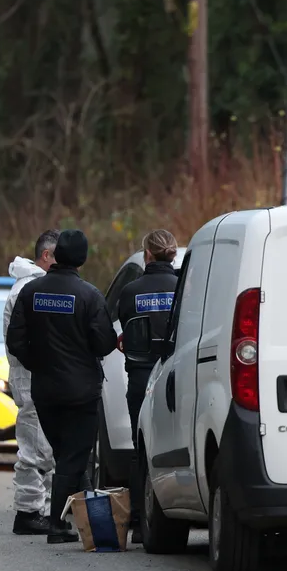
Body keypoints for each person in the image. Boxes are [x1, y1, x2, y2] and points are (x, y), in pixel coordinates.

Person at [6, 229, 117, 544]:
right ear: (82, 259)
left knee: (66, 453)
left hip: (45, 390)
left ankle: (90, 521)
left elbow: (15, 340)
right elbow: (104, 342)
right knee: (74, 455)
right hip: (81, 392)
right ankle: (57, 524)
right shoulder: (89, 295)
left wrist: (40, 364)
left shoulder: (31, 292)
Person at [115, 229, 179, 536]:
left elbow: (129, 327)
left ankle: (141, 523)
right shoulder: (183, 288)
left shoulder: (131, 291)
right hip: (175, 377)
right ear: (173, 254)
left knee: (140, 448)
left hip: (141, 377)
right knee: (175, 447)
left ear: (147, 255)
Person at [3, 230, 59, 536]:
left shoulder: (33, 286)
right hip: (30, 376)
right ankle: (28, 512)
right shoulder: (28, 289)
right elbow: (22, 341)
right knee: (34, 447)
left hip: (33, 375)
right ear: (46, 255)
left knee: (43, 446)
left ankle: (43, 509)